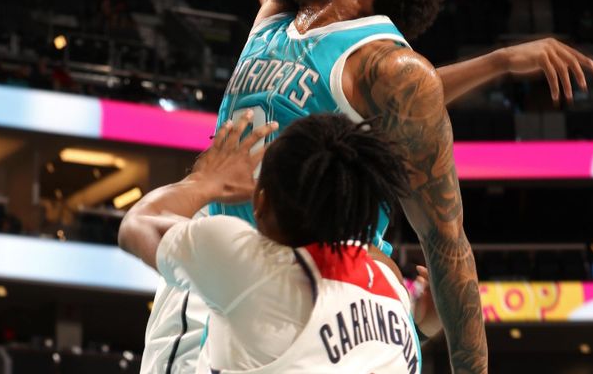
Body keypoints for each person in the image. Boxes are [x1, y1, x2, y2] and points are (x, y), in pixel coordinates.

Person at [134, 0, 593, 373]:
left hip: (318, 298)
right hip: (238, 281)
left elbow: (448, 244)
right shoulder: (282, 5)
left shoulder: (392, 69)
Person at [120, 112, 440, 372]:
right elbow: (339, 355)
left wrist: (204, 181)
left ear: (261, 202)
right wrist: (420, 329)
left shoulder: (245, 263)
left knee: (196, 228)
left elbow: (138, 224)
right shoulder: (389, 287)